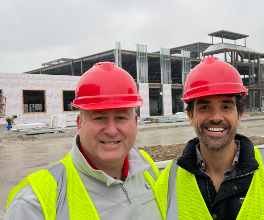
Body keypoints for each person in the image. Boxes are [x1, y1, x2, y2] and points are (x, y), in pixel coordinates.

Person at [155, 57, 264, 220]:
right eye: (205, 107)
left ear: (239, 116)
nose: (216, 117)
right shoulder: (167, 182)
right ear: (190, 117)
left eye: (226, 107)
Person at [5, 62, 162, 220]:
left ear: (135, 122)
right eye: (99, 118)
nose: (111, 130)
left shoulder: (148, 170)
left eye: (121, 117)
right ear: (80, 124)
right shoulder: (34, 203)